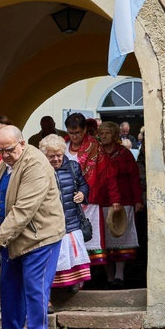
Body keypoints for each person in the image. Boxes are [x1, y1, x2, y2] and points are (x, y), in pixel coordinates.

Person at [0, 126, 65, 329]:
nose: (4, 155)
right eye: (0, 150)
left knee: (35, 289)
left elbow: (23, 210)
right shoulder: (4, 164)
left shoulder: (36, 164)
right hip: (12, 239)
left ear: (22, 143)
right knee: (9, 290)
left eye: (9, 149)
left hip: (40, 238)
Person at [64, 112, 119, 268]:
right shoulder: (62, 145)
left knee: (89, 236)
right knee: (69, 239)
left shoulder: (95, 147)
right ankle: (75, 274)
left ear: (85, 130)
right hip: (66, 201)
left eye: (78, 133)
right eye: (71, 132)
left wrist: (114, 198)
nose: (74, 136)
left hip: (89, 200)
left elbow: (107, 174)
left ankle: (90, 276)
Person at [40, 135, 92, 292]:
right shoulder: (40, 170)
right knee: (54, 257)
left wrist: (82, 194)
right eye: (51, 156)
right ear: (44, 156)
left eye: (59, 155)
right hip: (50, 222)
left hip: (71, 219)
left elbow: (84, 185)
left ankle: (74, 285)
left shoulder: (73, 167)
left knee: (72, 253)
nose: (56, 159)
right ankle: (52, 289)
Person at [99, 122, 143, 289]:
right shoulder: (96, 154)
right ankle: (109, 277)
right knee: (104, 240)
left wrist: (138, 200)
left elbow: (134, 178)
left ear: (115, 135)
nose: (103, 136)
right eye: (101, 133)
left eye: (107, 133)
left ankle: (119, 276)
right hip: (101, 201)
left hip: (124, 201)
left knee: (121, 237)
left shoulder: (124, 154)